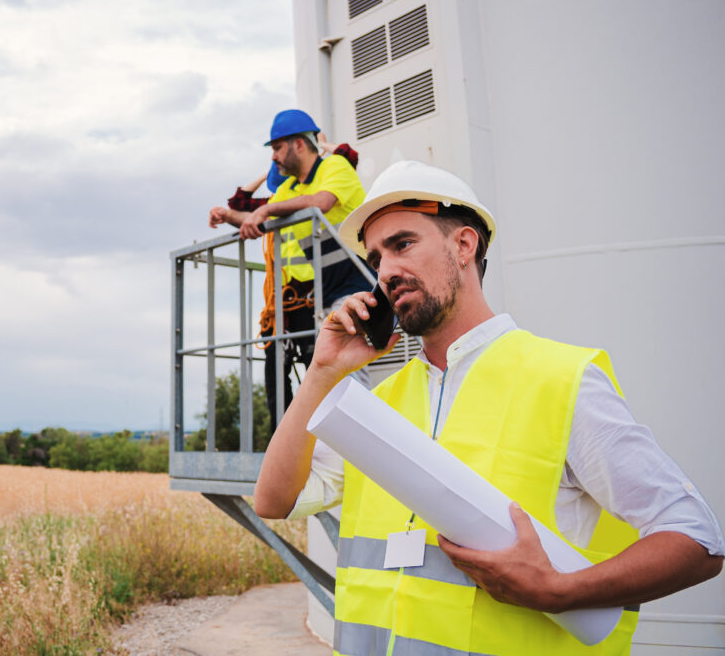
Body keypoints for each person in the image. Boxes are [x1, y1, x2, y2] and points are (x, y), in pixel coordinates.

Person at [253, 160, 723, 654]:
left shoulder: (561, 381)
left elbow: (696, 539)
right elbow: (274, 501)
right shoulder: (379, 404)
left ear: (463, 245)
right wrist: (324, 371)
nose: (386, 271)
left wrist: (558, 591)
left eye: (403, 244)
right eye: (376, 258)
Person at [209, 110, 371, 426]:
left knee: (348, 376)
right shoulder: (291, 189)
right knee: (329, 375)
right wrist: (231, 216)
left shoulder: (335, 166)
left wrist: (265, 208)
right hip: (326, 292)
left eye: (277, 147)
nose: (273, 157)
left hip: (358, 282)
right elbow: (266, 218)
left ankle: (361, 450)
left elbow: (322, 202)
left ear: (298, 145)